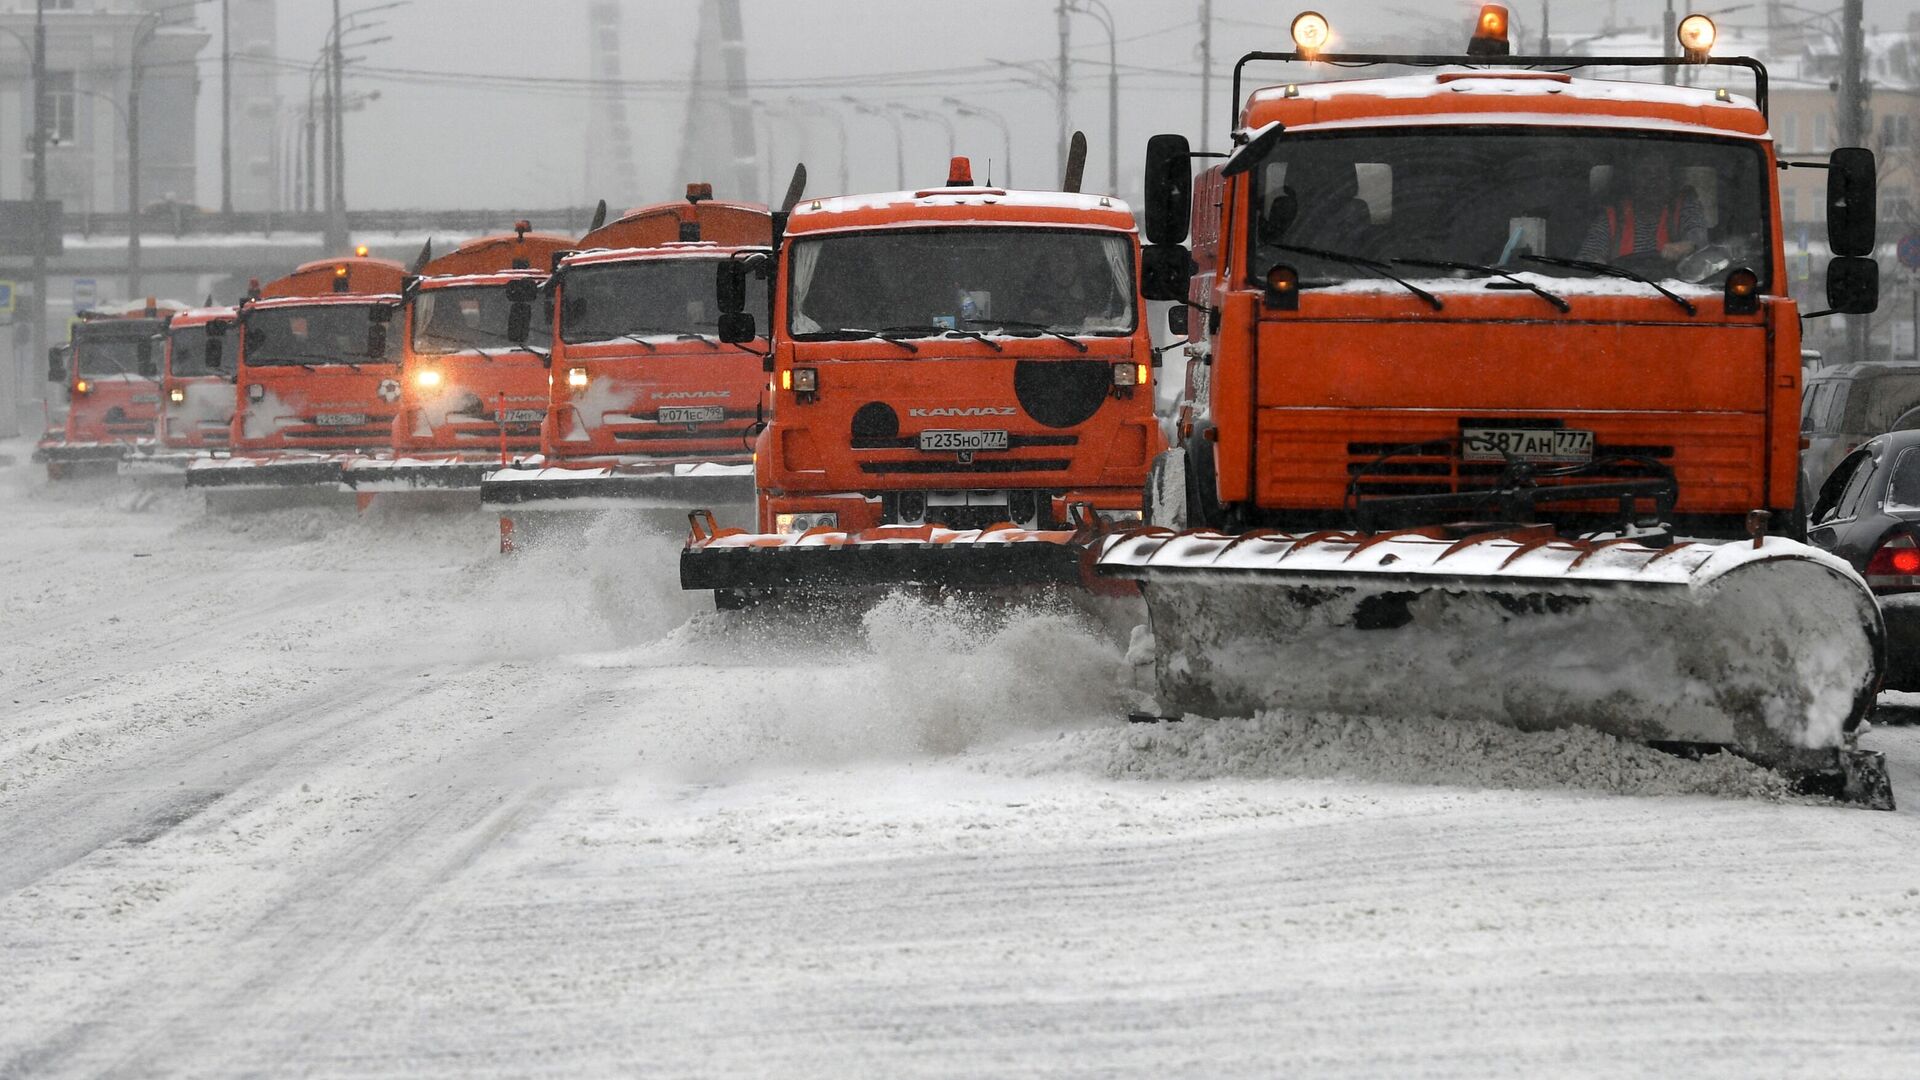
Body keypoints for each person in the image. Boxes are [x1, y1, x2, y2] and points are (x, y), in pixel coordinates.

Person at [1578, 153, 1710, 263]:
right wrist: (1597, 264)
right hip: (1620, 290)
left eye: (1659, 173)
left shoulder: (1684, 207)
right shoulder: (1613, 216)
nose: (1652, 181)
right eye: (1645, 173)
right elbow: (1587, 257)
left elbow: (1699, 238)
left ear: (1670, 180)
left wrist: (1688, 246)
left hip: (1676, 290)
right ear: (1633, 180)